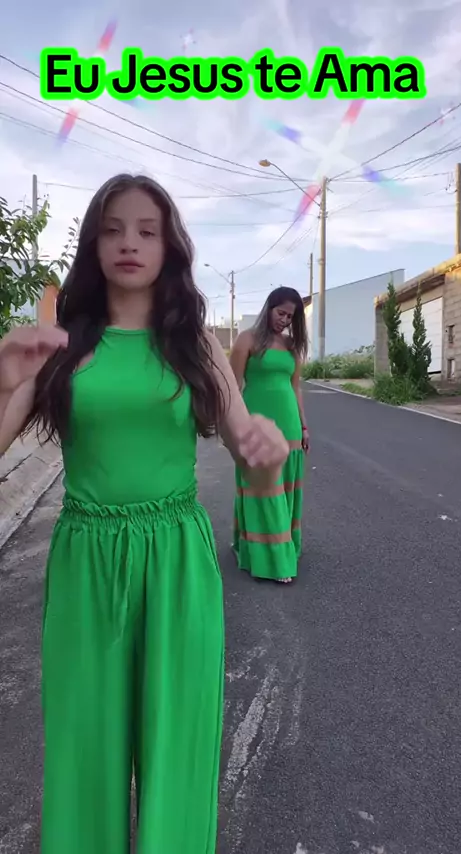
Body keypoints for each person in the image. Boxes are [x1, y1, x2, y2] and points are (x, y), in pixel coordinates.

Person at [0, 173, 289, 854]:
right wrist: (3, 380)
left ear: (169, 247)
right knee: (84, 747)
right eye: (113, 229)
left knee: (177, 744)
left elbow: (248, 456)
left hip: (177, 560)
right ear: (93, 245)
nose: (129, 242)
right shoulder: (58, 346)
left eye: (146, 230)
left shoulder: (197, 347)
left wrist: (266, 456)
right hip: (86, 562)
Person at [229, 287, 309, 584]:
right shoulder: (247, 339)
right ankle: (273, 560)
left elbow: (295, 387)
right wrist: (234, 427)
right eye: (281, 313)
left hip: (289, 425)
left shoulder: (291, 346)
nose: (284, 320)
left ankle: (280, 546)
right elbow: (233, 387)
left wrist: (304, 426)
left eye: (290, 317)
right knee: (263, 489)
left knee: (285, 490)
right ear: (269, 308)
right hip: (257, 426)